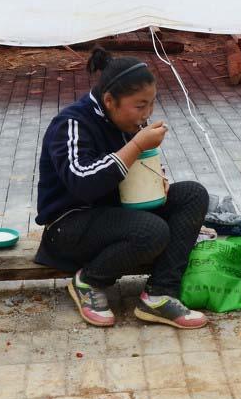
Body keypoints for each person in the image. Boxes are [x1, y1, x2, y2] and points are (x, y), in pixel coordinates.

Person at [35, 48, 209, 330]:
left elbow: (130, 174)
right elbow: (84, 183)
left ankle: (159, 294)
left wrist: (156, 181)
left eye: (152, 104)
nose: (147, 113)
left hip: (113, 215)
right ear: (109, 101)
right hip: (69, 226)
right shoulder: (71, 124)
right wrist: (137, 145)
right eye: (140, 106)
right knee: (152, 230)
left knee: (192, 194)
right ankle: (89, 281)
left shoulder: (123, 121)